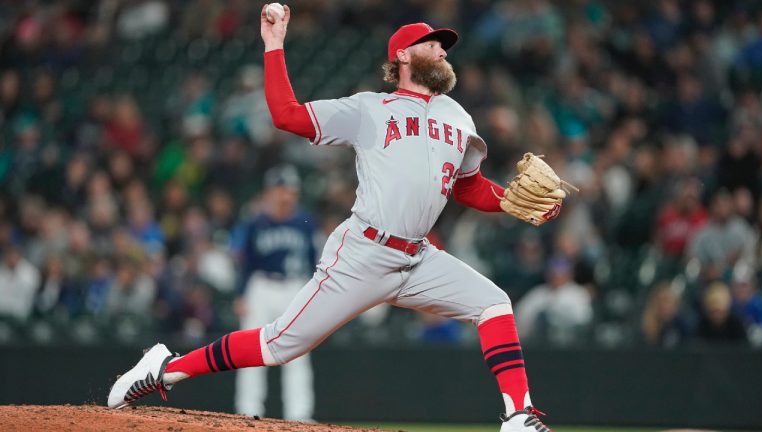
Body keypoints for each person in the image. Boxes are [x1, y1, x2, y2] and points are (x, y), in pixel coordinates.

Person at [108, 6, 562, 431]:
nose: (442, 50)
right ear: (403, 54)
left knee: (494, 303)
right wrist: (273, 44)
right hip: (364, 253)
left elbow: (467, 186)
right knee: (277, 345)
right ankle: (165, 370)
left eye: (443, 45)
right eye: (431, 43)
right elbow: (286, 116)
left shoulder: (457, 117)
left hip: (420, 258)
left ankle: (517, 416)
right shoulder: (370, 109)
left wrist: (511, 201)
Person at [233, 164, 317, 421]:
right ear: (270, 192)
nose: (285, 195)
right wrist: (241, 293)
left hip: (294, 287)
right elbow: (246, 262)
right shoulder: (256, 222)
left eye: (289, 190)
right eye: (280, 189)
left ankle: (299, 415)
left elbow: (315, 262)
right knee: (250, 350)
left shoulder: (305, 222)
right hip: (261, 287)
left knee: (298, 354)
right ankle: (248, 411)